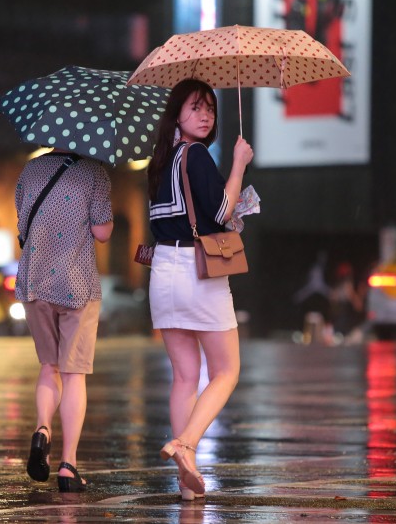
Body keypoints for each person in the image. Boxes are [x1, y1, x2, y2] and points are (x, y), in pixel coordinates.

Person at [147, 79, 253, 500]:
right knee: (226, 371)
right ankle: (186, 443)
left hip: (163, 271)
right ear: (178, 115)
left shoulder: (160, 162)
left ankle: (185, 481)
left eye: (209, 108)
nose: (205, 115)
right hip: (198, 270)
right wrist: (239, 163)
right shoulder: (198, 156)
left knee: (185, 377)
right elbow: (221, 213)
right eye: (195, 107)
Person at [15, 150, 113, 493]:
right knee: (74, 376)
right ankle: (68, 465)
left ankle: (42, 430)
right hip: (77, 284)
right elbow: (102, 233)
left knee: (48, 366)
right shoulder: (93, 172)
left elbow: (22, 223)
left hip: (35, 282)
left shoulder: (30, 169)